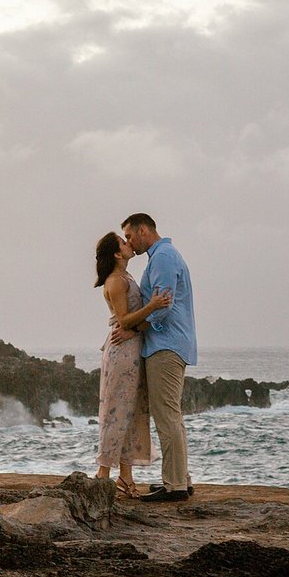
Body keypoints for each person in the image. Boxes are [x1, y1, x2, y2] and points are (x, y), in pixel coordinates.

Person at [115, 213, 197, 502]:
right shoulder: (161, 255)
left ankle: (174, 486)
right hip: (168, 343)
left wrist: (134, 328)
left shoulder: (162, 257)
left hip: (166, 344)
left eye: (129, 236)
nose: (128, 242)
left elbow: (162, 306)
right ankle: (180, 479)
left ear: (142, 230)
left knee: (166, 416)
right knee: (171, 414)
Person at [93, 231, 172, 498]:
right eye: (124, 243)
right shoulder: (115, 281)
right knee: (116, 411)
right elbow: (124, 320)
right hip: (121, 353)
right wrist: (152, 306)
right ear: (117, 253)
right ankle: (103, 475)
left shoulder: (126, 277)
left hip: (132, 350)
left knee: (131, 412)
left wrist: (138, 327)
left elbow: (130, 325)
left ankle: (125, 477)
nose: (129, 245)